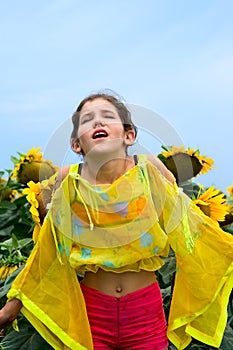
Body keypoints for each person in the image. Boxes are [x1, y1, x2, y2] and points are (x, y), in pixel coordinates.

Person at [0, 91, 232, 350]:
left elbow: (193, 228)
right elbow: (46, 249)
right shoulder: (66, 181)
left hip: (145, 314)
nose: (97, 123)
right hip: (90, 316)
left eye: (108, 116)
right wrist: (11, 308)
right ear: (77, 143)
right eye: (87, 120)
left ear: (128, 135)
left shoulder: (149, 171)